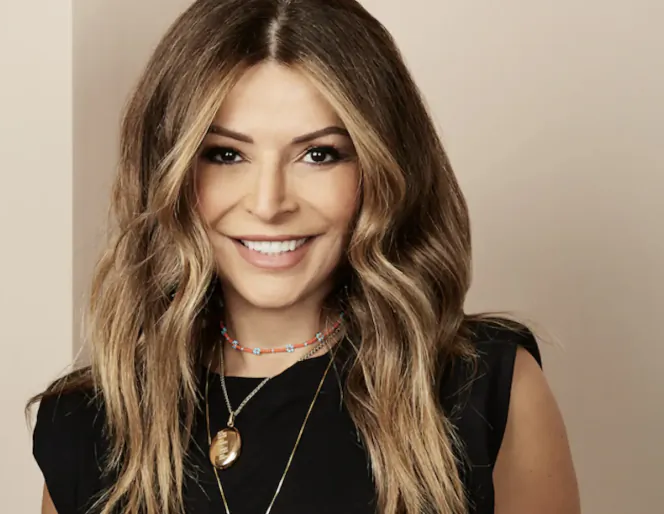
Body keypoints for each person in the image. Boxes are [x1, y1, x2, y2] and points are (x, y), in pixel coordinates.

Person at [30, 0, 580, 513]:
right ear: (169, 172)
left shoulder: (482, 390)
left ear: (381, 170)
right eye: (226, 154)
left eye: (319, 154)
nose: (269, 203)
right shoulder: (88, 421)